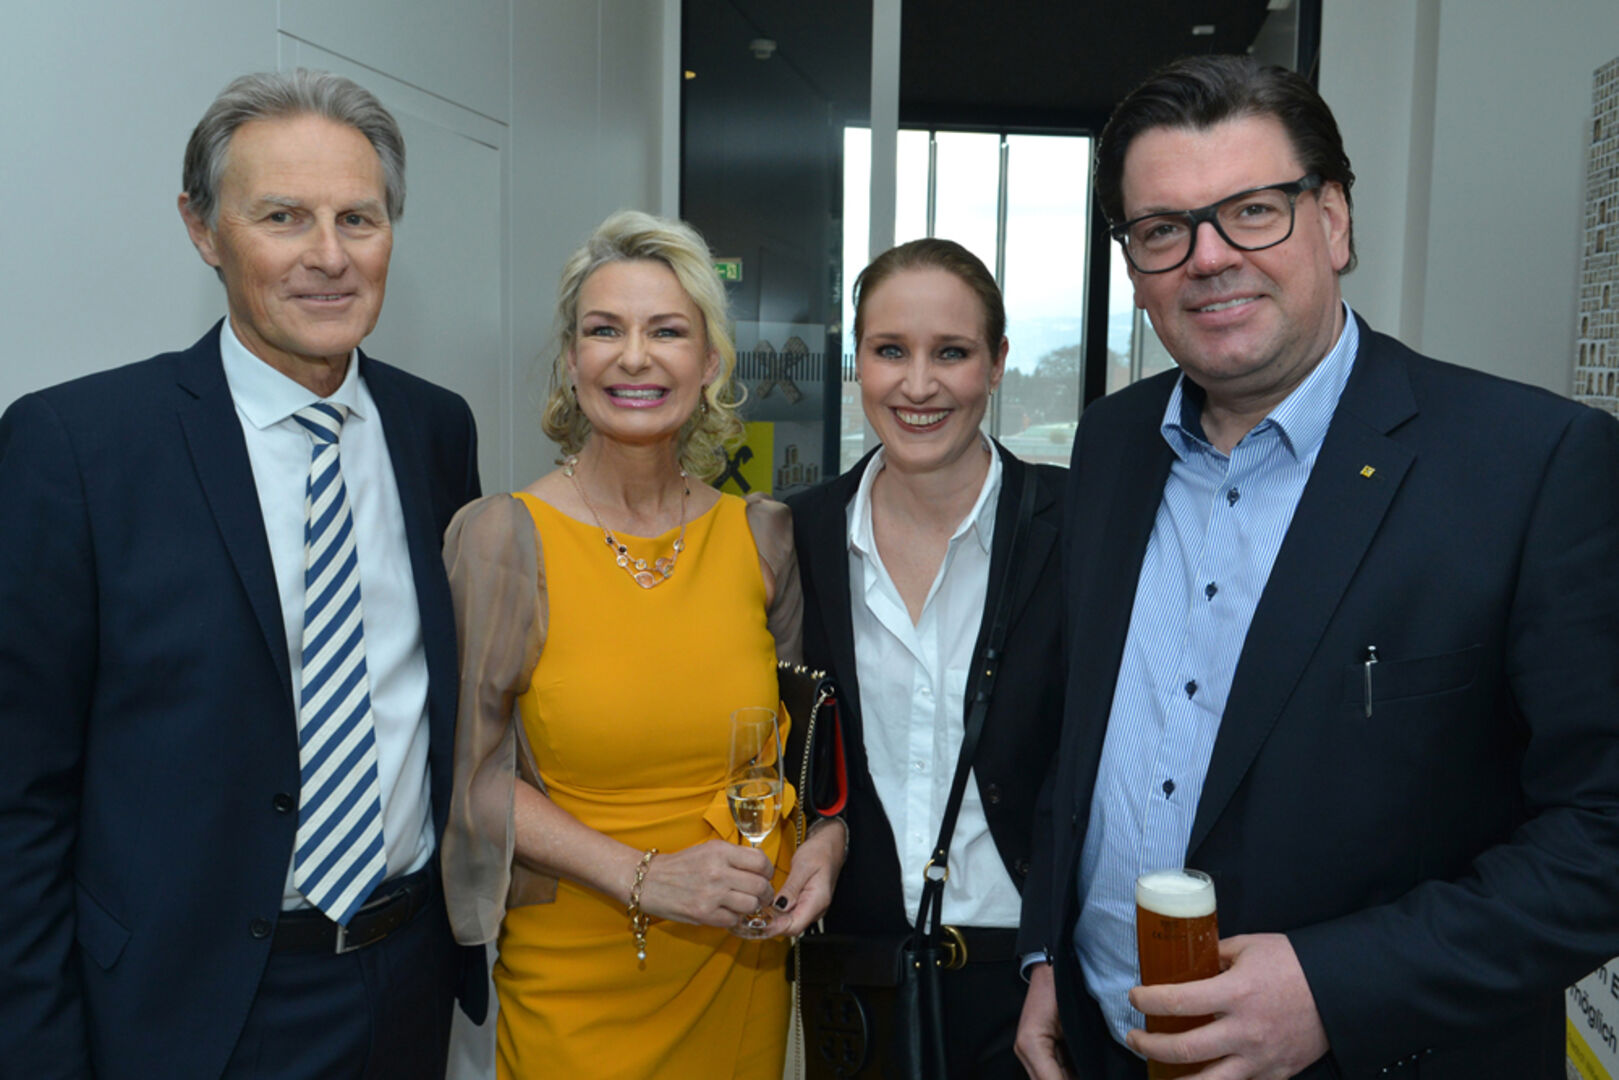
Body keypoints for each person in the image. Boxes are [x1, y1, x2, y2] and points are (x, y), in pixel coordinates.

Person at [1015, 54, 1619, 1080]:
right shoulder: (1111, 444)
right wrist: (1050, 953)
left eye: (1251, 211)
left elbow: (1601, 833)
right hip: (1104, 1038)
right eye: (1161, 229)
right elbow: (1083, 743)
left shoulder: (1533, 465)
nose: (1207, 258)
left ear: (1332, 222)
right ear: (1132, 264)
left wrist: (1336, 990)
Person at [0, 70, 484, 1079]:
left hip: (405, 980)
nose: (328, 256)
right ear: (202, 229)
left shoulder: (435, 430)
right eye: (282, 216)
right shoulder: (77, 447)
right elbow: (20, 796)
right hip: (183, 1009)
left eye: (358, 218)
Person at [440, 209, 848, 1079]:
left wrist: (825, 837)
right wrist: (645, 876)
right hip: (576, 978)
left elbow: (794, 755)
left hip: (738, 965)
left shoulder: (761, 534)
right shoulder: (503, 538)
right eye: (604, 330)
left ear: (709, 363)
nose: (634, 357)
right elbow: (470, 777)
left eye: (666, 331)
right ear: (570, 360)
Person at [787, 238, 1065, 1077]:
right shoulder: (797, 534)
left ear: (996, 363)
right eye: (888, 351)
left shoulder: (1076, 526)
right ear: (856, 363)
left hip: (1033, 983)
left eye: (950, 352)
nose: (916, 385)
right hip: (859, 982)